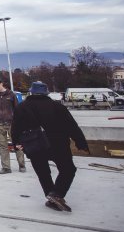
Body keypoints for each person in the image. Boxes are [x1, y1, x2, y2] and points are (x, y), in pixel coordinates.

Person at [12, 81, 90, 212]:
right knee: (68, 169)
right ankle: (57, 194)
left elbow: (15, 128)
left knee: (43, 173)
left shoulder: (22, 107)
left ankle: (52, 196)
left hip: (34, 144)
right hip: (58, 143)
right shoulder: (57, 106)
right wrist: (80, 142)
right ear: (46, 93)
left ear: (31, 92)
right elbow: (72, 126)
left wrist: (17, 143)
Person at [0, 78, 25, 174]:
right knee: (2, 146)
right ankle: (6, 167)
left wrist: (18, 122)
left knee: (17, 144)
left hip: (12, 124)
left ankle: (22, 165)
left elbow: (17, 109)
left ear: (1, 84)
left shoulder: (11, 94)